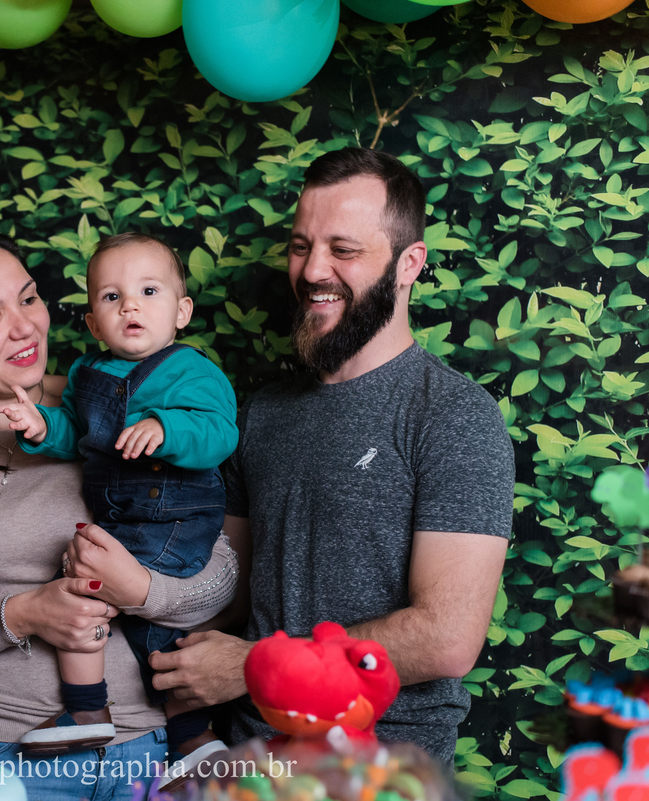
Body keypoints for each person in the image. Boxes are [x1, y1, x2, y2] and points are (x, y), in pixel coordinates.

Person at [148, 147, 515, 763]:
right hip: (246, 759)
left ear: (408, 264)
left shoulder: (453, 416)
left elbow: (446, 637)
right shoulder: (260, 411)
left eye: (343, 251)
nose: (313, 270)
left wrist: (261, 667)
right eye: (301, 246)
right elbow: (225, 590)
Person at [0, 226, 239, 801]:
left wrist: (144, 590)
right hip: (5, 753)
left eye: (28, 298)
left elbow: (218, 570)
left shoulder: (127, 410)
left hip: (151, 751)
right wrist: (20, 617)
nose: (25, 327)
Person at [0, 233, 237, 772]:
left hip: (176, 513)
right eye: (110, 297)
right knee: (81, 595)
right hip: (120, 515)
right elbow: (78, 436)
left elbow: (220, 433)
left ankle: (182, 734)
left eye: (149, 291)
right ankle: (98, 713)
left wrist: (166, 427)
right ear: (91, 323)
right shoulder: (87, 375)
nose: (130, 305)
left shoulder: (191, 371)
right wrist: (41, 426)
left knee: (163, 630)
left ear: (181, 312)